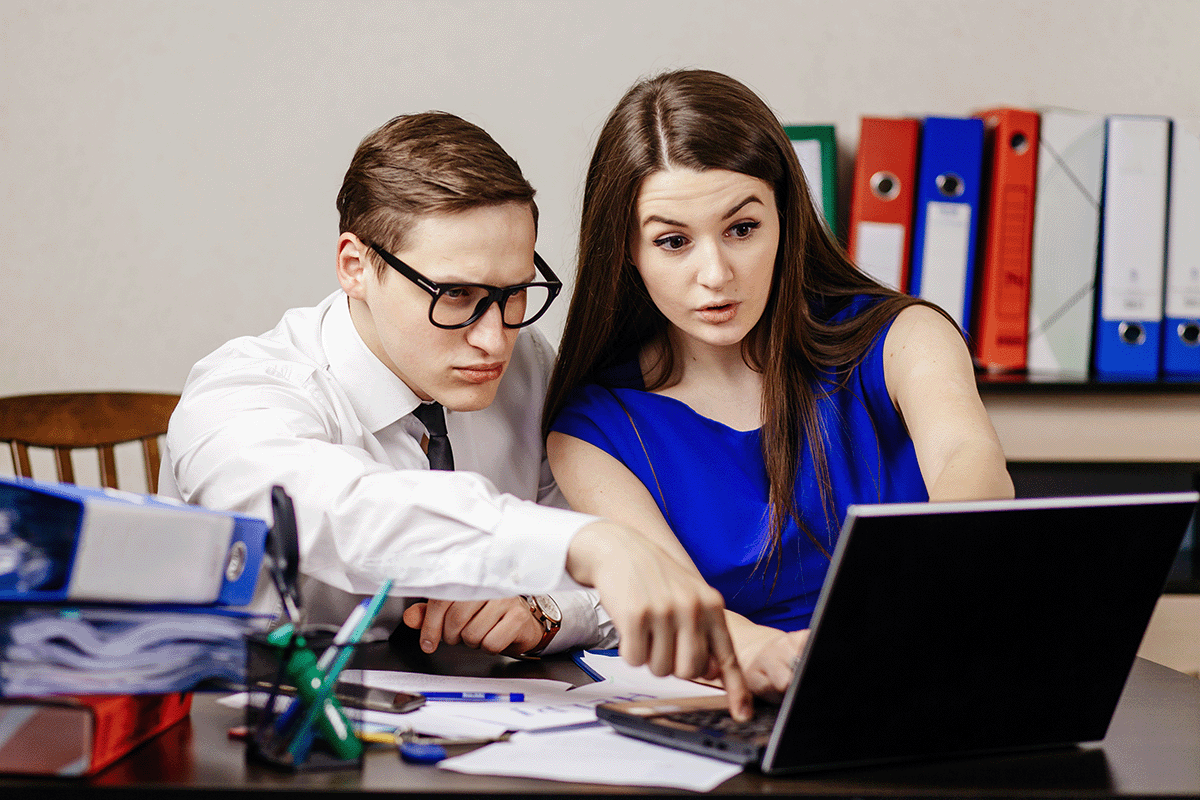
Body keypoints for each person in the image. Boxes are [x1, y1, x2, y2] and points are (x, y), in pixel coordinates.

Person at [161, 111, 751, 718]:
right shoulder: (240, 392)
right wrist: (584, 544)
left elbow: (607, 594)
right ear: (355, 266)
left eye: (515, 292)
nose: (495, 340)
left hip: (465, 734)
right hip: (243, 735)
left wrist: (543, 610)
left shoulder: (524, 368)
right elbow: (343, 513)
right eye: (457, 297)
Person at [543, 70, 1015, 699]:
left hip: (942, 670)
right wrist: (790, 660)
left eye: (742, 229)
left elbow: (971, 468)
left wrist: (903, 624)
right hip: (759, 704)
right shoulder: (593, 431)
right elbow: (684, 616)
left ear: (785, 219)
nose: (716, 274)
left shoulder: (904, 337)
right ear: (628, 249)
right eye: (673, 241)